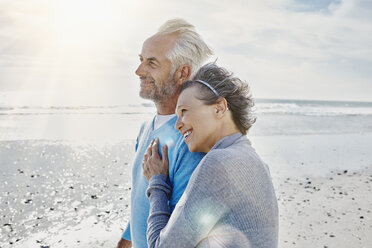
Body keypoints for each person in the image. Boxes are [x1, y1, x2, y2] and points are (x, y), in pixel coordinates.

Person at [142, 62, 279, 247]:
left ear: (219, 108)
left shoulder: (219, 163)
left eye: (184, 111)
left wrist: (157, 183)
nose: (177, 124)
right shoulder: (257, 162)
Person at [117, 19, 213, 248]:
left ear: (182, 73)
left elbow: (181, 234)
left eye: (152, 63)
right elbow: (143, 197)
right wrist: (127, 238)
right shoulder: (146, 129)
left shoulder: (191, 140)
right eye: (141, 60)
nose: (139, 71)